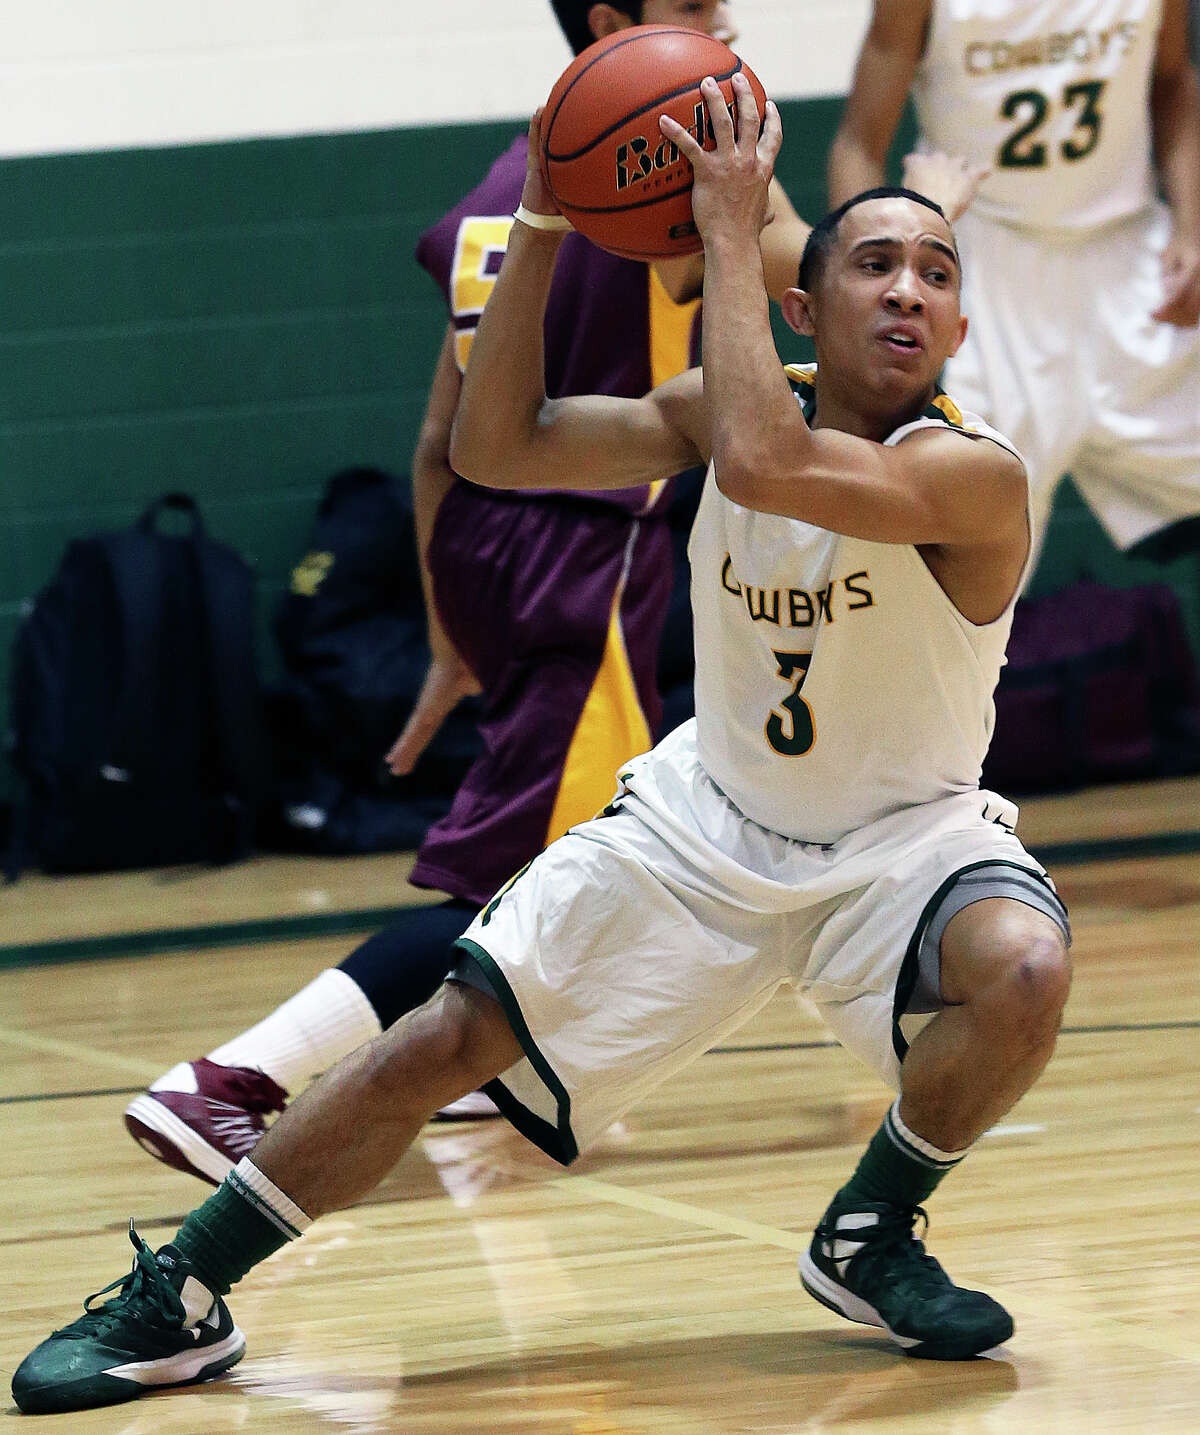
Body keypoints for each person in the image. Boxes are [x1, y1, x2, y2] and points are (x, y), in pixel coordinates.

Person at [13, 75, 1074, 1415]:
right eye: (874, 264)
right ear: (808, 310)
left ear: (962, 325)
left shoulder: (973, 476)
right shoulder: (721, 406)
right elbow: (498, 443)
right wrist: (543, 222)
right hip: (710, 823)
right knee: (439, 1038)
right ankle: (179, 1291)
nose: (908, 290)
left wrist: (729, 230)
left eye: (936, 272)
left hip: (904, 842)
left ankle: (872, 1229)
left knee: (1022, 964)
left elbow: (765, 463)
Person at [122, 0, 816, 1177]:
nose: (727, 24)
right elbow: (816, 267)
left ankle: (490, 1068)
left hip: (489, 538)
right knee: (529, 876)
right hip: (578, 545)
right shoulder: (654, 189)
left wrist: (453, 623)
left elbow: (442, 433)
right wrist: (804, 192)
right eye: (696, 7)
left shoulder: (510, 183)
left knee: (587, 858)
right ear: (615, 22)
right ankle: (232, 1079)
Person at [828, 0, 1200, 571]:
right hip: (987, 265)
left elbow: (1172, 80)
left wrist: (1191, 226)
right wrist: (863, 288)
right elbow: (859, 143)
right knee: (966, 553)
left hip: (1130, 255)